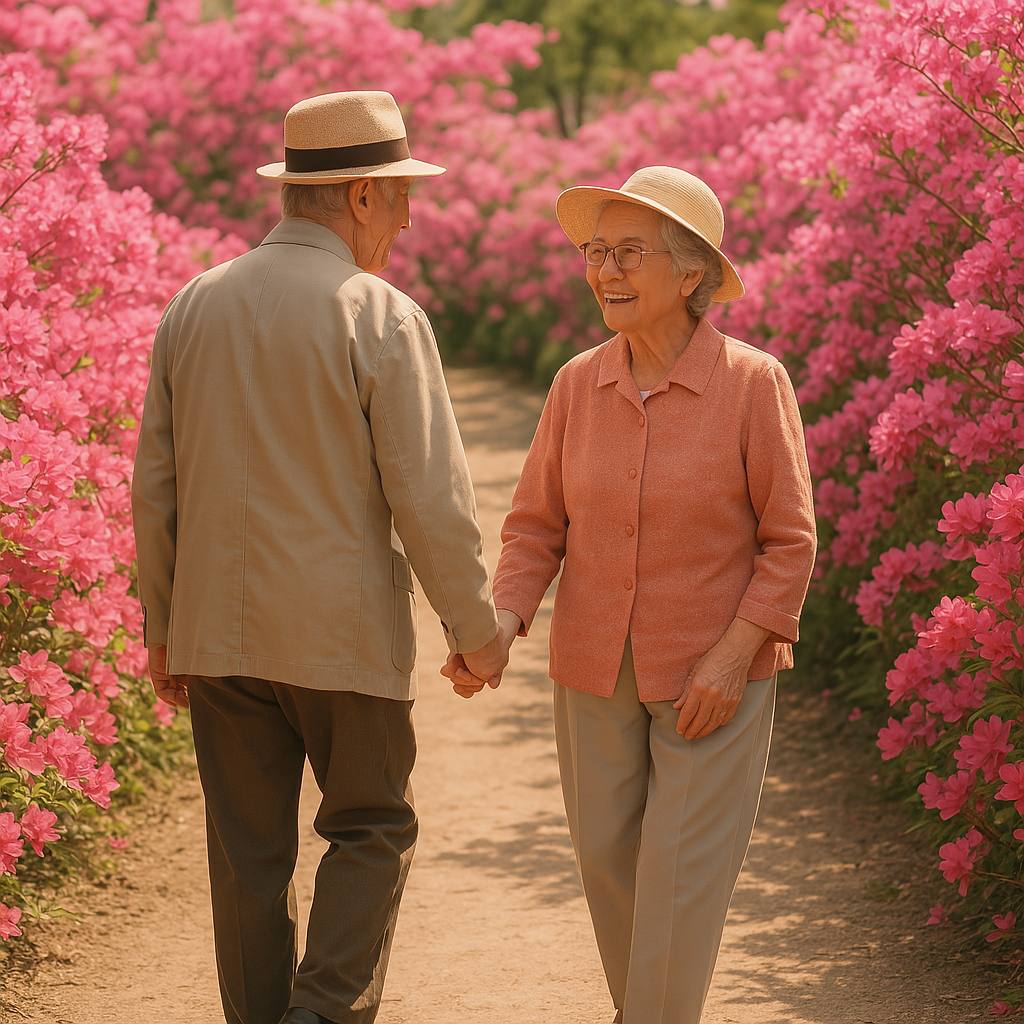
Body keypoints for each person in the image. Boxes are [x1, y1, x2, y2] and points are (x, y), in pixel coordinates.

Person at [132, 91, 507, 1024]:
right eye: (401, 194)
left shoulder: (193, 304)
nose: (412, 216)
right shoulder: (380, 314)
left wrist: (162, 631)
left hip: (215, 633)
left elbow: (157, 488)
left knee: (246, 856)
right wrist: (475, 628)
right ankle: (326, 1014)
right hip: (340, 638)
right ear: (363, 196)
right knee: (374, 827)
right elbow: (431, 497)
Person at [444, 165, 817, 1023]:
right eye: (593, 252)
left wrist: (733, 658)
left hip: (711, 674)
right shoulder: (578, 383)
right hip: (591, 665)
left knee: (678, 874)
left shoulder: (754, 383)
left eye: (627, 253)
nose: (603, 271)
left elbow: (790, 543)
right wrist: (501, 626)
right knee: (611, 864)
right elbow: (535, 526)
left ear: (691, 272)